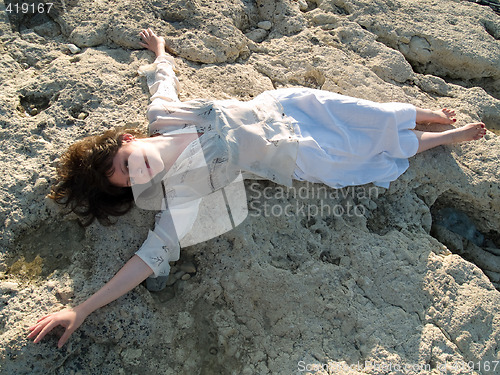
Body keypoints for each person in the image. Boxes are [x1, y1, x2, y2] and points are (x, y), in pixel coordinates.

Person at [27, 28, 487, 348]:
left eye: (126, 162)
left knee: (366, 115)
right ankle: (440, 138)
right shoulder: (181, 191)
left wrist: (160, 50)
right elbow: (149, 256)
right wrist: (83, 309)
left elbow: (163, 82)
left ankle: (417, 115)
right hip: (297, 154)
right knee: (364, 159)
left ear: (129, 141)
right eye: (127, 180)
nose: (137, 172)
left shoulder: (163, 118)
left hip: (289, 106)